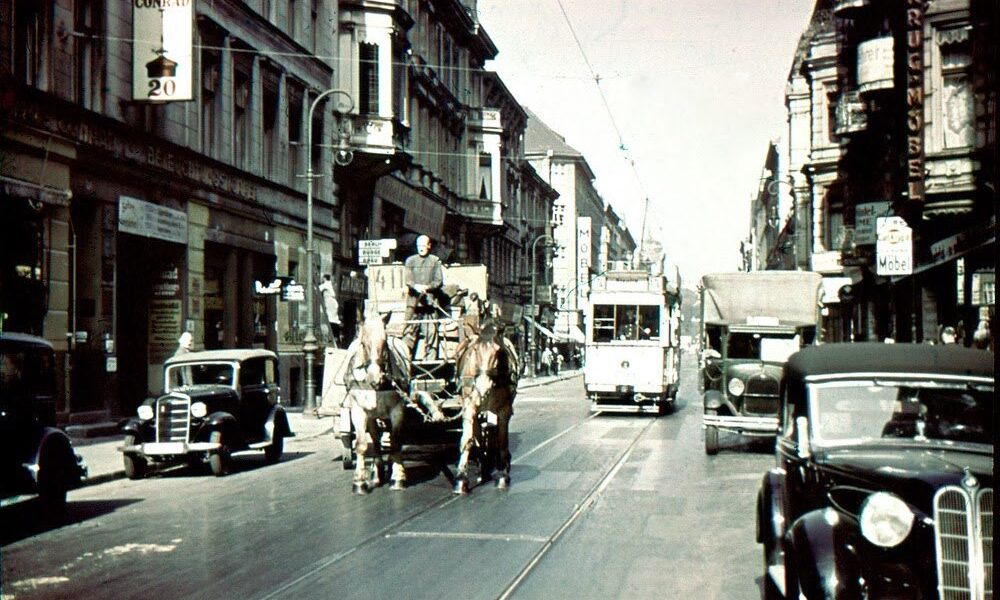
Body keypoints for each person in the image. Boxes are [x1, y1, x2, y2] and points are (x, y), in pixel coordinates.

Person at [403, 235, 445, 355]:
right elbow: (408, 279)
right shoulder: (410, 261)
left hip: (429, 305)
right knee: (408, 333)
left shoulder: (435, 261)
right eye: (418, 245)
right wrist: (415, 286)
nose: (421, 248)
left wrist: (427, 287)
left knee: (431, 333)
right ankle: (405, 361)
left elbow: (438, 281)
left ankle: (430, 361)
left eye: (423, 245)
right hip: (413, 305)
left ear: (429, 246)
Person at [319, 274, 342, 347]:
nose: (322, 279)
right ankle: (336, 335)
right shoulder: (330, 284)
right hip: (332, 303)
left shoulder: (326, 284)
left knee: (331, 318)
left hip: (330, 303)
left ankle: (334, 335)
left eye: (322, 278)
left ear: (325, 278)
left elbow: (318, 288)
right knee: (333, 319)